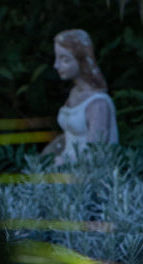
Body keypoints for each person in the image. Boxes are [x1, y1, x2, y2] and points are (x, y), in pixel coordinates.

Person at [43, 29, 118, 165]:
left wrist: (62, 162)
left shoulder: (98, 104)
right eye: (57, 58)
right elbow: (70, 136)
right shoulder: (75, 93)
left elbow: (96, 152)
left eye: (65, 60)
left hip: (87, 177)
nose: (56, 65)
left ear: (81, 60)